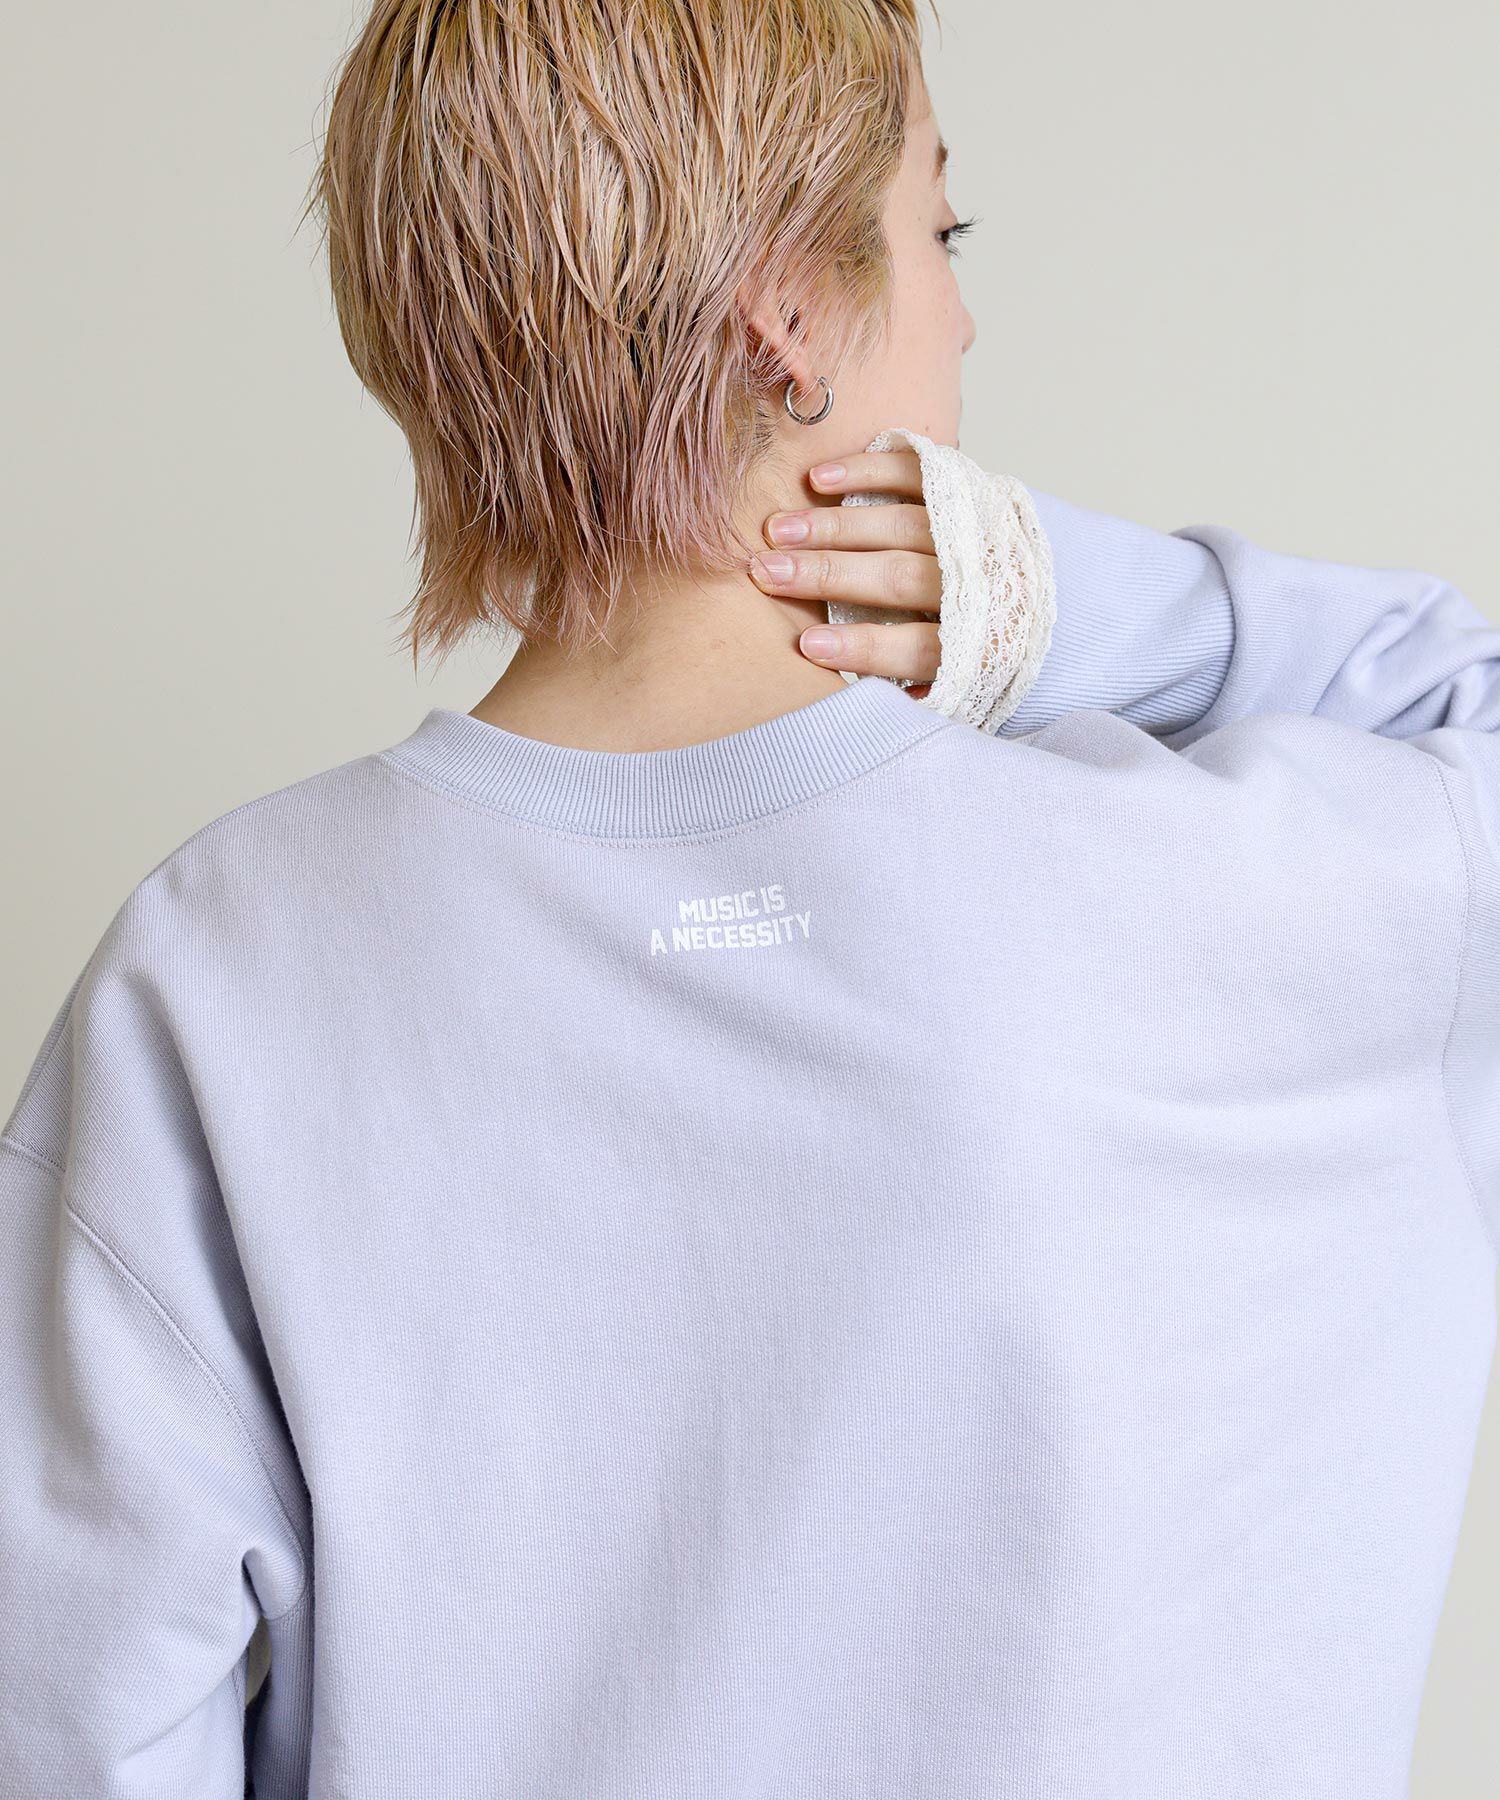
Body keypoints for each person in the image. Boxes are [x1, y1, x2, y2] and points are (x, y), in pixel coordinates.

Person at [2, 2, 1496, 1795]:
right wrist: (1084, 607)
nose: (964, 313)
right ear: (788, 306)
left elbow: (73, 1727)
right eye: (940, 226)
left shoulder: (218, 974)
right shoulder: (1223, 904)